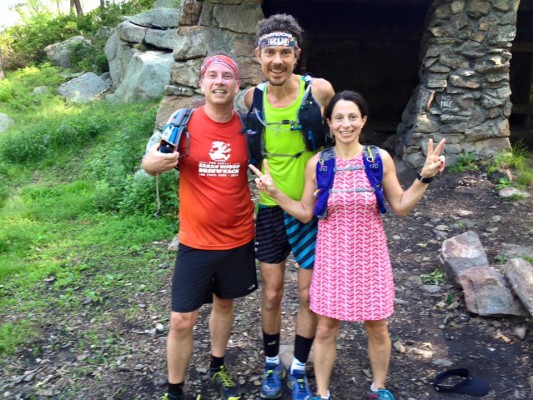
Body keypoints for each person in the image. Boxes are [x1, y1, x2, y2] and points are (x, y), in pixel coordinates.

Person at [249, 90, 446, 400]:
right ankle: (322, 393)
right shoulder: (319, 164)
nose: (346, 124)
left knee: (377, 327)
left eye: (353, 117)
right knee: (326, 328)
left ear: (363, 120)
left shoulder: (377, 159)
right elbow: (304, 212)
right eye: (338, 117)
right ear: (329, 123)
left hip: (371, 257)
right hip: (331, 258)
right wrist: (275, 193)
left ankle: (379, 388)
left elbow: (401, 205)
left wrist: (423, 177)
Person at [142, 54, 258, 400]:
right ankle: (174, 389)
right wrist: (155, 164)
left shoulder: (249, 128)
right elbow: (150, 161)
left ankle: (217, 366)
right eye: (213, 76)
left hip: (238, 237)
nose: (220, 81)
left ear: (237, 86)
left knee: (225, 304)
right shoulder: (182, 122)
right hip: (195, 241)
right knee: (181, 319)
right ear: (202, 83)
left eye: (227, 76)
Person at [243, 13, 335, 400]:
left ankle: (298, 367)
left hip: (311, 209)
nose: (277, 60)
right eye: (270, 53)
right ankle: (269, 363)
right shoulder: (253, 97)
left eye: (285, 52)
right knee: (271, 293)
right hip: (269, 208)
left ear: (296, 55)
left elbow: (344, 131)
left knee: (309, 295)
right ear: (259, 56)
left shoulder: (320, 91)